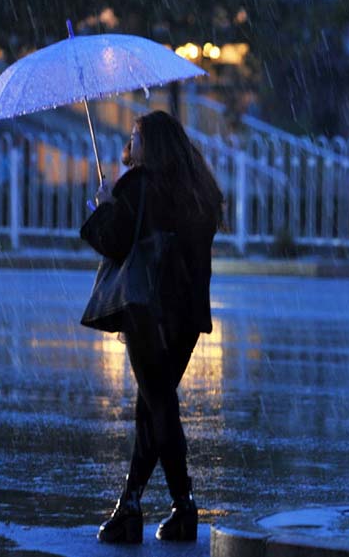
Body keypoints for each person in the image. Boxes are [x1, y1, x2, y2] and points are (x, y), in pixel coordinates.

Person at [79, 110, 223, 543]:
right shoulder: (200, 191)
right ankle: (132, 505)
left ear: (152, 144)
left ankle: (182, 505)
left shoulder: (138, 185)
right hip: (187, 314)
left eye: (136, 135)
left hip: (147, 308)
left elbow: (115, 242)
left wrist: (106, 205)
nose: (131, 140)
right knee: (152, 406)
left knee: (158, 404)